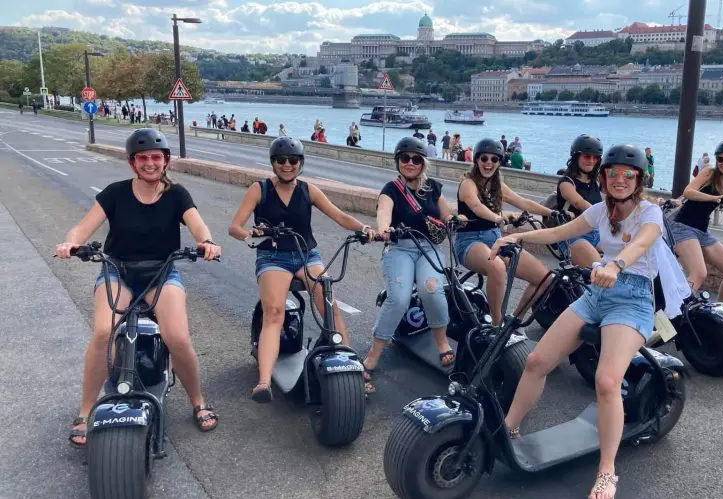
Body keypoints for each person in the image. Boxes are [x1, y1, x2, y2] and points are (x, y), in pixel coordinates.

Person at [491, 144, 665, 499]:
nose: (619, 180)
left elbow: (643, 243)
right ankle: (508, 429)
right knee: (537, 361)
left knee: (606, 381)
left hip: (631, 300)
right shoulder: (603, 210)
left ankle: (606, 472)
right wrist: (518, 237)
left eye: (627, 175)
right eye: (612, 173)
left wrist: (616, 265)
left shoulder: (651, 213)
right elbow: (560, 233)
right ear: (603, 178)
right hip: (596, 295)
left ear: (639, 179)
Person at [55, 129, 221, 448]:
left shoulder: (177, 194)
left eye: (155, 157)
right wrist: (71, 243)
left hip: (161, 273)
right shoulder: (115, 193)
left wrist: (207, 242)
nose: (149, 163)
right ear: (132, 163)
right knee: (104, 333)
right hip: (118, 270)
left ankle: (198, 401)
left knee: (177, 336)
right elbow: (83, 227)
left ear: (165, 161)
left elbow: (198, 224)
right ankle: (85, 412)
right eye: (142, 158)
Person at [228, 137, 375, 402]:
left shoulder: (309, 190)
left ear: (300, 163)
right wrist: (250, 232)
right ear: (273, 163)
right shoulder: (259, 189)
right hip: (273, 257)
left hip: (306, 255)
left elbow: (340, 216)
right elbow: (234, 227)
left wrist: (364, 229)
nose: (287, 165)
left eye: (293, 161)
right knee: (274, 312)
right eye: (281, 160)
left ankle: (353, 368)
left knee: (328, 302)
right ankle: (264, 382)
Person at [363, 137, 454, 394]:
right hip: (400, 248)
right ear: (398, 162)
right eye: (405, 158)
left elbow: (446, 214)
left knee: (432, 290)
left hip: (428, 247)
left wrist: (456, 220)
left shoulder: (433, 188)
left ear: (423, 162)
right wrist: (384, 230)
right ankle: (373, 354)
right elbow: (384, 212)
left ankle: (441, 342)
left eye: (416, 159)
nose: (410, 163)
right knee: (399, 298)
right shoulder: (391, 189)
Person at [456, 138, 556, 327]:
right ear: (476, 159)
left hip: (496, 240)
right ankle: (496, 324)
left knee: (545, 279)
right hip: (470, 242)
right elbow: (476, 207)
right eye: (484, 158)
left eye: (494, 159)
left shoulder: (496, 185)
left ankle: (513, 322)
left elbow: (524, 203)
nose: (489, 163)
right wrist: (497, 217)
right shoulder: (468, 183)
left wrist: (552, 212)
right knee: (497, 266)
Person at [670, 139, 723, 301]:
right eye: (720, 159)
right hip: (682, 226)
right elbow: (688, 192)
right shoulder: (709, 173)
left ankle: (717, 313)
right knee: (699, 274)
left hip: (702, 231)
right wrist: (716, 197)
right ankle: (675, 313)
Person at [555, 135, 604, 267]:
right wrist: (605, 217)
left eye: (596, 157)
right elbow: (580, 203)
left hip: (596, 233)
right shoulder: (566, 183)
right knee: (598, 271)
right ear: (576, 157)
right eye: (587, 156)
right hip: (573, 235)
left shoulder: (596, 181)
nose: (592, 161)